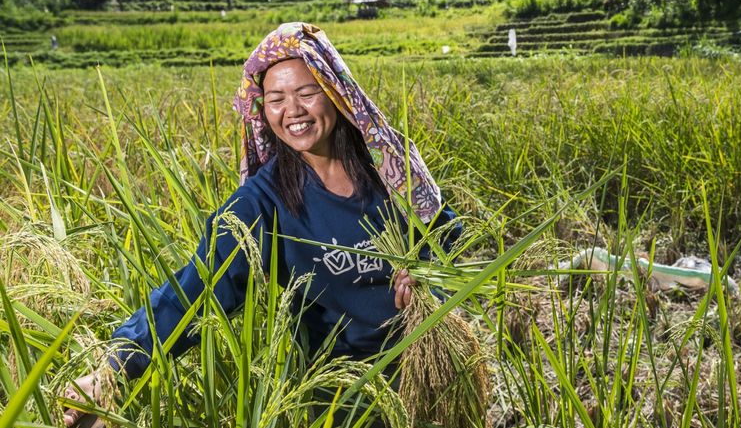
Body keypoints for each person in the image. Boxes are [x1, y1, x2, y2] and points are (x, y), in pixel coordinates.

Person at [62, 22, 461, 427]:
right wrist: (114, 370)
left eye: (308, 93)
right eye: (276, 99)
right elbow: (197, 288)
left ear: (336, 93)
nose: (293, 112)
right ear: (261, 109)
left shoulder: (389, 166)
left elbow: (447, 236)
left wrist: (428, 275)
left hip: (433, 369)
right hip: (345, 394)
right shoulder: (263, 202)